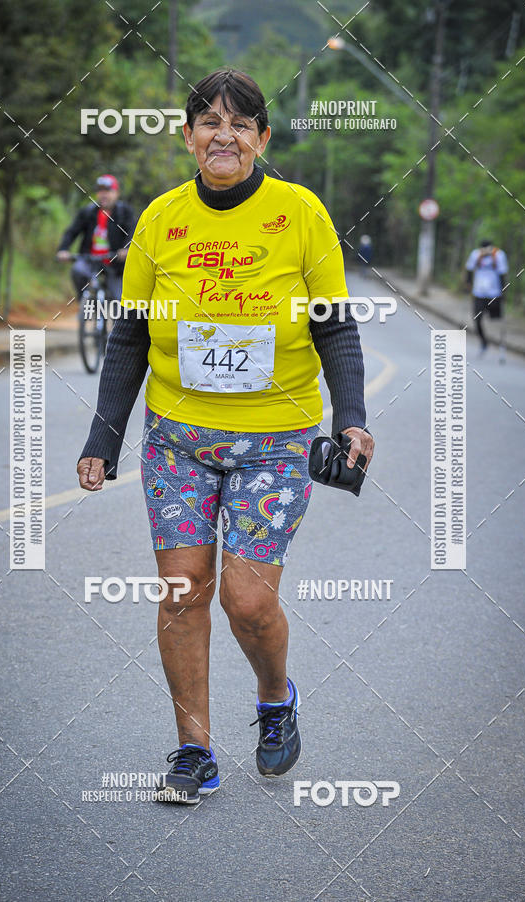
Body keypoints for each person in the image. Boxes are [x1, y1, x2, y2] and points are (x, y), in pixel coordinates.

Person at [76, 69, 374, 804]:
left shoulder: (301, 213)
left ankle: (275, 699)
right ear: (187, 137)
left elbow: (335, 325)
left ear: (262, 139)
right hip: (178, 439)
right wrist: (102, 439)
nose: (224, 136)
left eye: (241, 124)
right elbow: (129, 338)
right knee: (182, 594)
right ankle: (193, 749)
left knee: (246, 601)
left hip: (275, 440)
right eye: (208, 123)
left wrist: (353, 418)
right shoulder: (159, 219)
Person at [56, 174, 137, 302]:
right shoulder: (88, 212)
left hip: (115, 264)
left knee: (120, 300)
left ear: (117, 193)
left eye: (108, 191)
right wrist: (63, 249)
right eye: (100, 191)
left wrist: (126, 249)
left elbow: (133, 232)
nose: (103, 195)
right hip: (90, 261)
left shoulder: (125, 212)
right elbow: (72, 232)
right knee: (77, 270)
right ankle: (84, 300)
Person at [465, 239, 508, 361]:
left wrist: (503, 292)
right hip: (479, 293)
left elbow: (502, 274)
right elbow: (469, 269)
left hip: (494, 294)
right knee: (477, 319)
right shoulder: (475, 254)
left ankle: (500, 345)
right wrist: (468, 285)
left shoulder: (499, 255)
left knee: (496, 319)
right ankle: (484, 342)